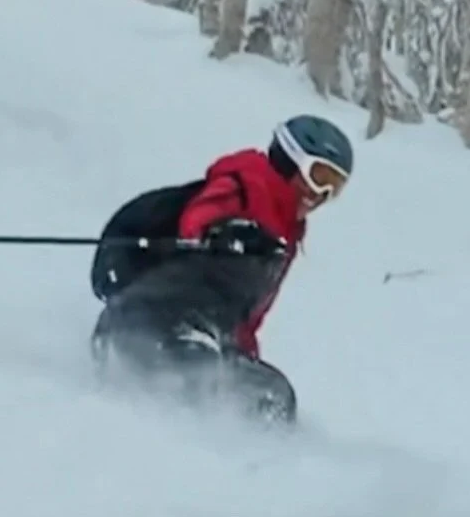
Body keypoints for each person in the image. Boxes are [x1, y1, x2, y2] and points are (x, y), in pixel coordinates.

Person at [89, 114, 354, 424]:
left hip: (209, 335)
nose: (321, 194)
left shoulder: (286, 235)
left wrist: (244, 355)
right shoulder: (247, 184)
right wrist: (225, 231)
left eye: (335, 186)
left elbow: (245, 315)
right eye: (319, 176)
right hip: (153, 315)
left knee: (275, 396)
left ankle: (253, 451)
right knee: (198, 373)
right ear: (290, 158)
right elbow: (197, 221)